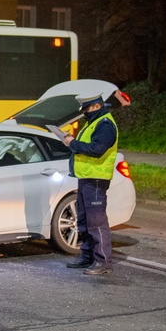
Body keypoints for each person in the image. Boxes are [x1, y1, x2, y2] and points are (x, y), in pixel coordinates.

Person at [63, 94, 119, 276]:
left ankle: (103, 261)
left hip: (96, 179)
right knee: (84, 221)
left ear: (95, 106)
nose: (84, 112)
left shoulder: (105, 124)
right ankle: (87, 257)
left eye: (86, 109)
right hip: (86, 177)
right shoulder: (94, 122)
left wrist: (73, 143)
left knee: (96, 222)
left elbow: (97, 149)